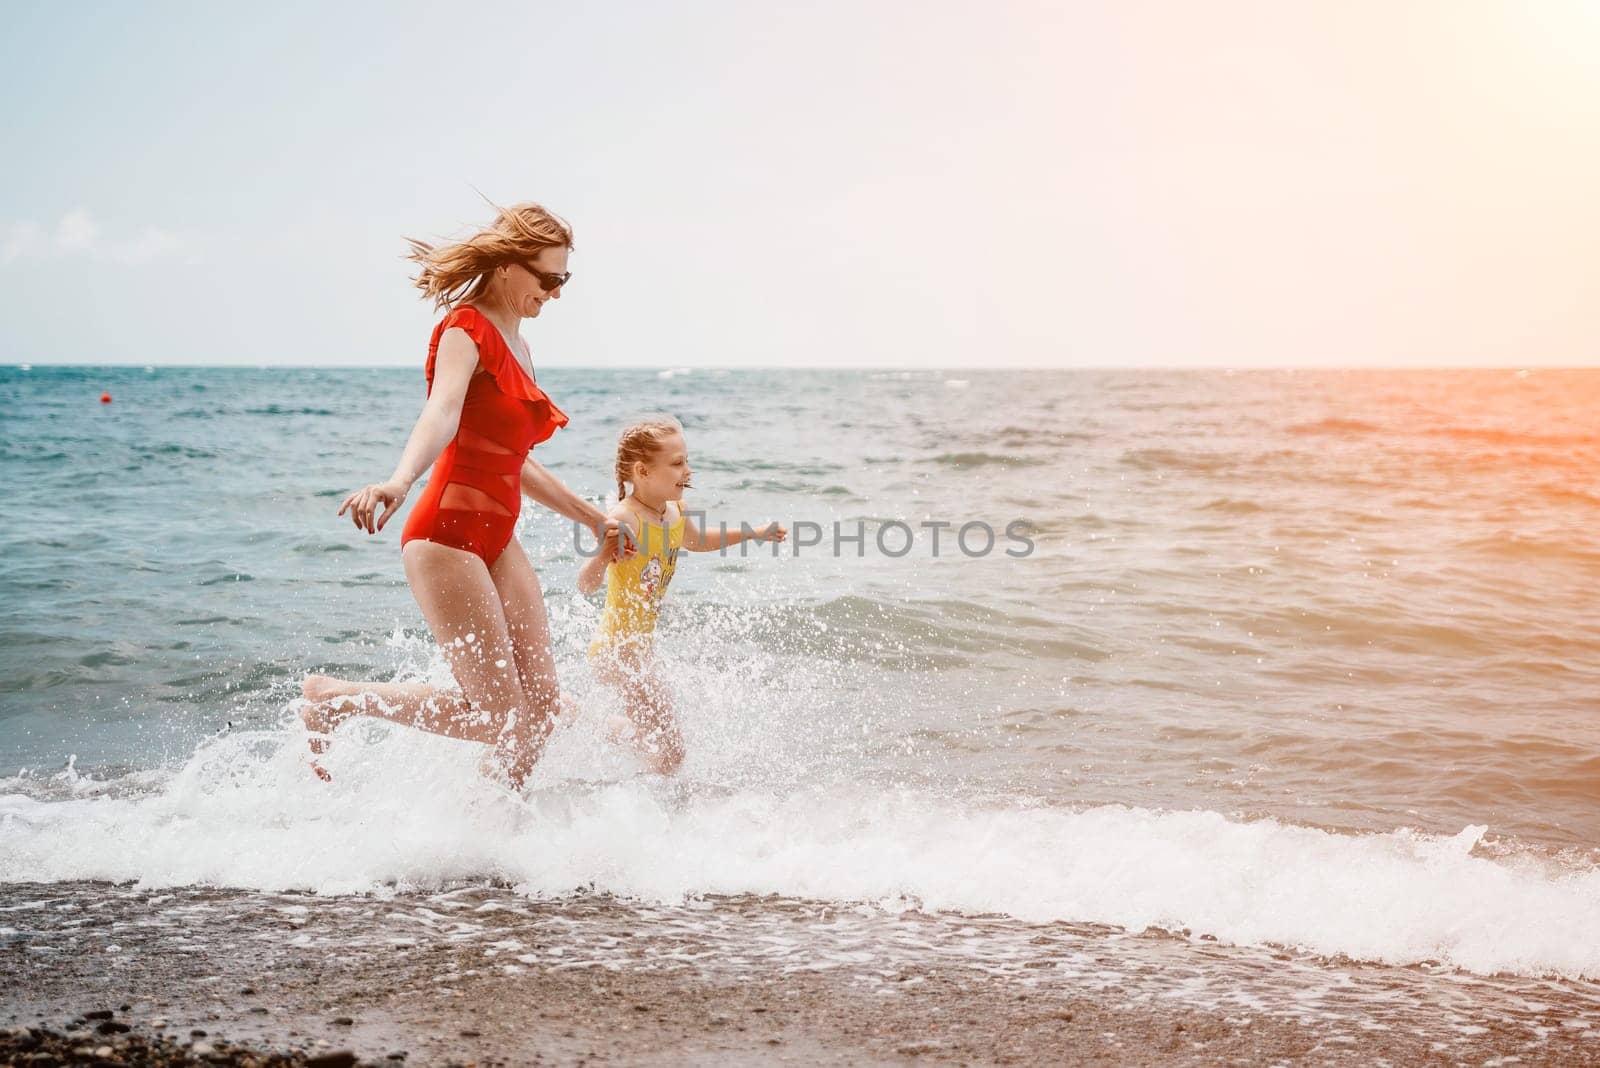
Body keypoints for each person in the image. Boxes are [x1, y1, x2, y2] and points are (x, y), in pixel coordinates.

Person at [299, 202, 621, 788]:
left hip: (497, 539)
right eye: (548, 278)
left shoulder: (519, 346)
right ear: (506, 267)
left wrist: (595, 518)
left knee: (541, 711)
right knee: (498, 714)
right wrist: (400, 480)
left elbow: (512, 459)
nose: (555, 293)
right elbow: (442, 411)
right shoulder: (464, 329)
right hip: (445, 534)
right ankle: (337, 698)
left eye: (563, 279)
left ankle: (490, 831)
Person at [578, 418, 786, 774]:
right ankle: (660, 809)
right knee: (670, 750)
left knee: (660, 744)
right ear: (643, 471)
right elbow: (586, 585)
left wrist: (754, 532)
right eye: (676, 463)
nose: (687, 471)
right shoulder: (624, 518)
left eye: (686, 460)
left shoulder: (674, 511)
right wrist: (602, 554)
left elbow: (698, 540)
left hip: (640, 648)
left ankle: (587, 721)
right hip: (616, 651)